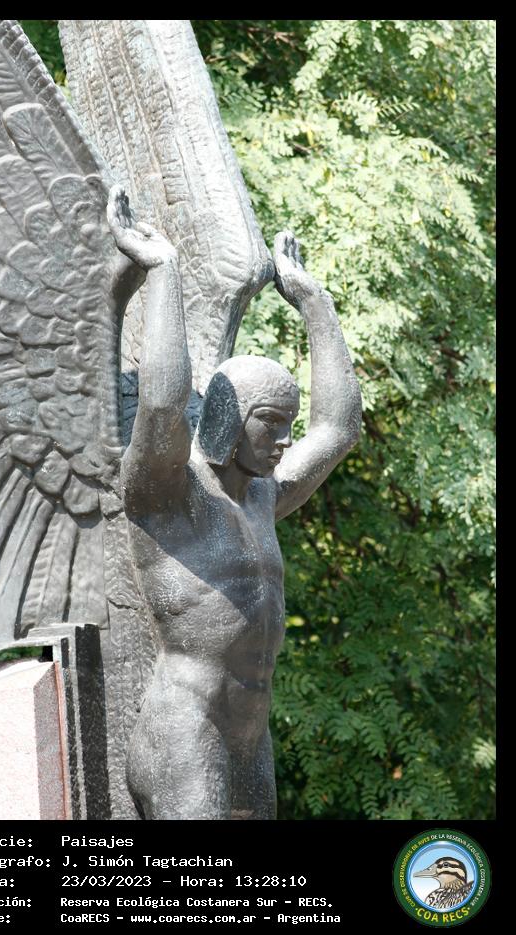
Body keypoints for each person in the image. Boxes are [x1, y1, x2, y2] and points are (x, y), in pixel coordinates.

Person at [107, 186, 362, 819]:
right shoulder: (169, 494)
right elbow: (161, 406)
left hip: (250, 739)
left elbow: (338, 428)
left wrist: (315, 302)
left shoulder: (262, 498)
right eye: (270, 422)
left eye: (287, 425)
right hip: (185, 730)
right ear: (228, 418)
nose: (284, 440)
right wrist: (163, 271)